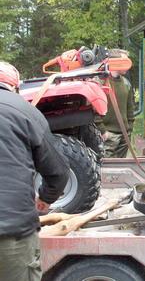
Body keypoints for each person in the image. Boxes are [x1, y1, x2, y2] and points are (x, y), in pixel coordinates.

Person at [0, 61, 69, 281]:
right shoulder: (25, 111)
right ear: (15, 87)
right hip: (11, 232)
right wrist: (45, 198)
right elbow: (58, 172)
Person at [97, 70, 135, 158]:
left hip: (124, 136)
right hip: (108, 135)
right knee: (106, 168)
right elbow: (94, 109)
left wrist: (129, 129)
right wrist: (102, 130)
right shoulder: (100, 83)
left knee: (121, 167)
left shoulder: (126, 83)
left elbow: (130, 109)